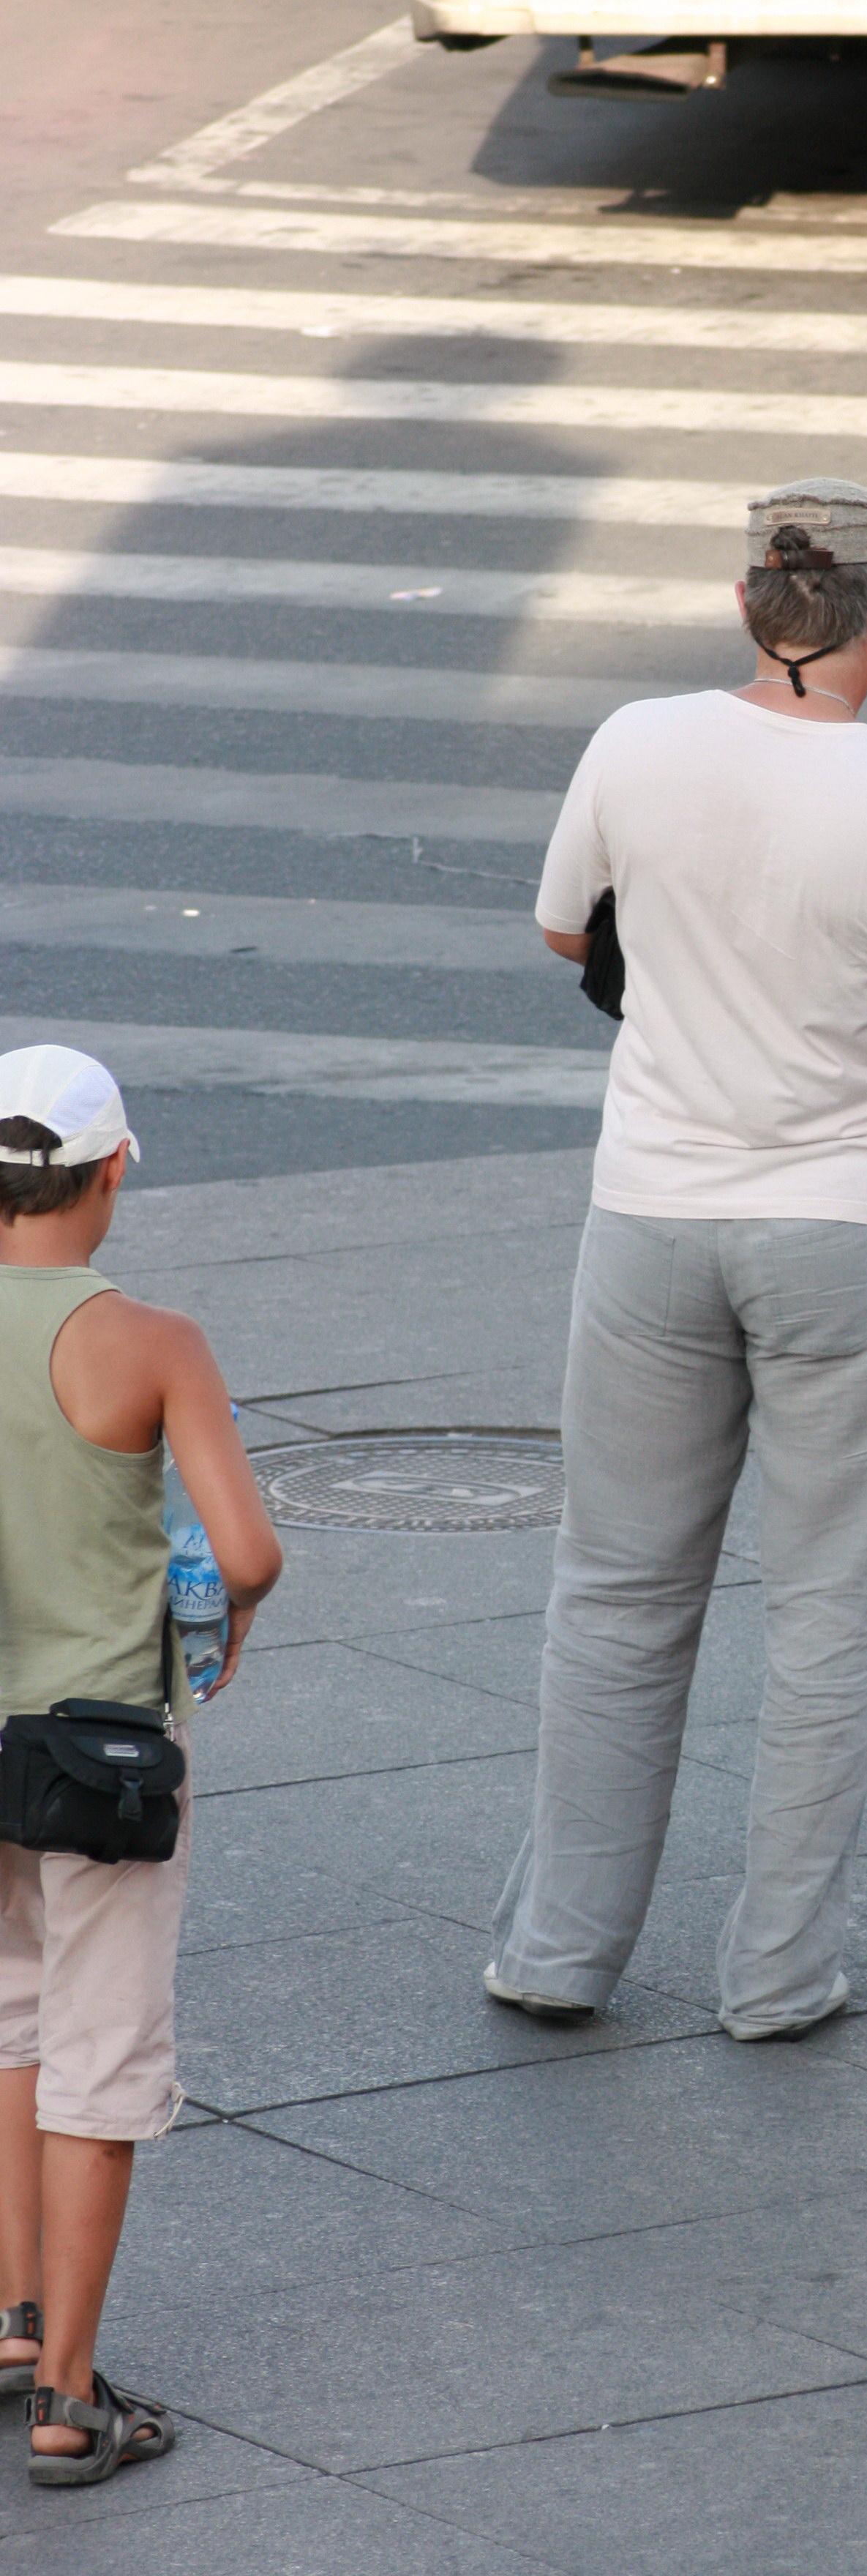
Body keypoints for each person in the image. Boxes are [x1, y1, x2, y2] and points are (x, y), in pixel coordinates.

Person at [487, 479, 867, 2039]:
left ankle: (558, 1948)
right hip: (843, 1230)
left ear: (751, 604)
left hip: (650, 1215)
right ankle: (780, 1974)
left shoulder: (632, 743)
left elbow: (563, 931)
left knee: (612, 1591)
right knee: (825, 1611)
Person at [0, 1045, 282, 2485]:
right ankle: (68, 2401)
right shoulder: (151, 1342)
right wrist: (226, 1619)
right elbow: (247, 1551)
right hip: (96, 1752)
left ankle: (9, 2312)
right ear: (112, 1174)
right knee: (97, 2065)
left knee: (8, 2019)